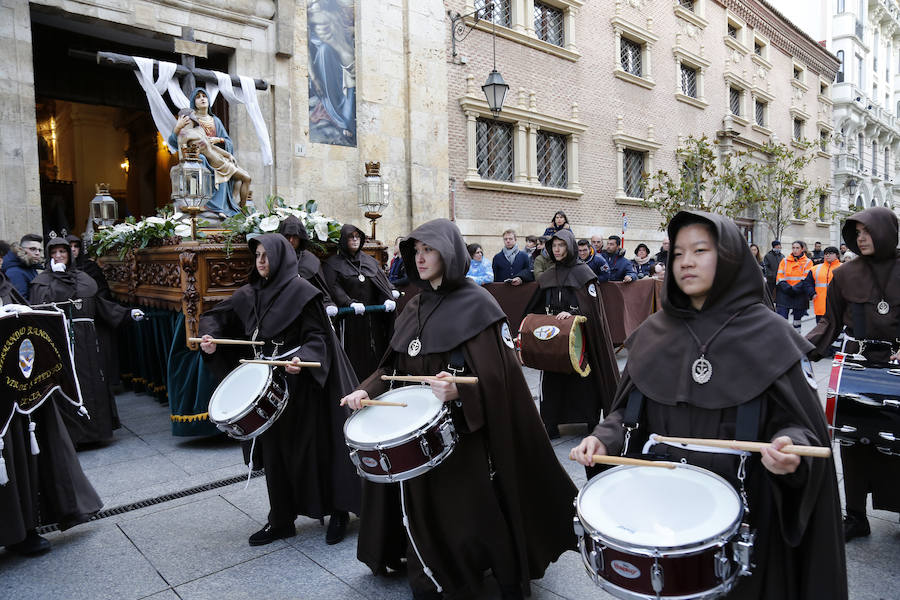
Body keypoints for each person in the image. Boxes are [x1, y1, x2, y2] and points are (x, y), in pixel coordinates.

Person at [570, 211, 847, 600]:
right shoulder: (653, 332)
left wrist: (789, 449)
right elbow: (627, 413)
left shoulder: (773, 335)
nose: (685, 261)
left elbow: (799, 424)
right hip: (660, 509)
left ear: (730, 258)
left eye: (701, 250)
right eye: (679, 251)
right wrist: (604, 438)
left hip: (746, 506)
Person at [341, 218, 577, 600]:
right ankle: (429, 575)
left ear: (448, 253)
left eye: (428, 250)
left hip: (463, 437)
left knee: (469, 514)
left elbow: (504, 380)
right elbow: (394, 367)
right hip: (416, 433)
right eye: (415, 251)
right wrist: (364, 390)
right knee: (419, 509)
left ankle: (493, 574)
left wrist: (459, 392)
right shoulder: (413, 305)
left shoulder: (478, 304)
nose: (420, 259)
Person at [199, 234, 361, 546]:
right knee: (275, 454)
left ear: (282, 256)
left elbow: (319, 336)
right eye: (257, 255)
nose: (261, 261)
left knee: (318, 450)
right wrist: (210, 339)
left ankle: (338, 511)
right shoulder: (248, 294)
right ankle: (281, 519)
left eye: (266, 255)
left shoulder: (302, 291)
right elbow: (215, 318)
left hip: (306, 386)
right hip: (268, 386)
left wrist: (307, 358)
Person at [806, 207, 900, 541]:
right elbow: (828, 323)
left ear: (887, 232)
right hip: (857, 369)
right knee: (854, 441)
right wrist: (794, 350)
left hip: (898, 369)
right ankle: (856, 517)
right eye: (856, 232)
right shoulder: (844, 275)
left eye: (868, 231)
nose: (861, 238)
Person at [0, 269, 103, 556]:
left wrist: (24, 314)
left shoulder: (4, 284)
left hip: (13, 390)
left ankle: (23, 529)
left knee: (20, 456)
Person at [29, 238, 141, 446]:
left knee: (92, 383)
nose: (59, 255)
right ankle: (76, 436)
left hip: (88, 341)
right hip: (62, 341)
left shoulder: (84, 278)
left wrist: (126, 314)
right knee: (70, 385)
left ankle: (97, 433)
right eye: (55, 252)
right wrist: (60, 277)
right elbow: (42, 307)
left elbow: (100, 304)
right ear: (49, 255)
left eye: (63, 251)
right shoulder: (42, 283)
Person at [525, 229, 620, 439]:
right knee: (552, 382)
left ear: (570, 247)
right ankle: (551, 423)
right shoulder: (549, 275)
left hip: (580, 341)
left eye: (561, 245)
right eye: (554, 246)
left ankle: (590, 421)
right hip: (553, 343)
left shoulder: (583, 274)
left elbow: (594, 309)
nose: (557, 250)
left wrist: (574, 313)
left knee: (584, 381)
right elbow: (536, 307)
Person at [323, 224, 397, 381]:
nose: (355, 239)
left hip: (372, 319)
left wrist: (388, 294)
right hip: (350, 321)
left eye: (358, 236)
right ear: (343, 240)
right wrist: (349, 303)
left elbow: (380, 282)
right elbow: (334, 287)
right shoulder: (332, 264)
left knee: (375, 350)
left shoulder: (369, 261)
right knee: (354, 355)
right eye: (351, 237)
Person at [168, 88, 241, 217]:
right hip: (198, 157)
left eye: (204, 96)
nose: (202, 99)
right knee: (200, 161)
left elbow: (228, 142)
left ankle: (225, 207)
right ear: (193, 102)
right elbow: (176, 142)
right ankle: (202, 204)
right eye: (198, 97)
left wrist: (218, 140)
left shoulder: (216, 121)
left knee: (233, 172)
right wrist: (178, 127)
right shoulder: (190, 118)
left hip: (215, 154)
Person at [173, 107, 251, 210]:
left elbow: (212, 146)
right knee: (246, 178)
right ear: (185, 118)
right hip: (216, 165)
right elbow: (182, 155)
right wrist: (178, 128)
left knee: (243, 179)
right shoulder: (184, 135)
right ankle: (241, 208)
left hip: (221, 160)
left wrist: (228, 155)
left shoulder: (199, 129)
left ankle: (238, 207)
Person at [277, 215, 336, 314]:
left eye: (295, 236)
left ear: (300, 237)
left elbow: (322, 291)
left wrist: (328, 304)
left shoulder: (311, 260)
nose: (291, 240)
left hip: (306, 312)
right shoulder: (274, 258)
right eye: (287, 236)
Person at [775, 241, 815, 332]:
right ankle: (784, 339)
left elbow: (806, 278)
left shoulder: (808, 262)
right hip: (785, 293)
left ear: (802, 249)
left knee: (797, 320)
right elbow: (780, 276)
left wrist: (794, 289)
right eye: (793, 248)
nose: (795, 250)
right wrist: (788, 288)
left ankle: (797, 338)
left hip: (799, 293)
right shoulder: (784, 261)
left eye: (797, 248)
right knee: (782, 319)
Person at [811, 246, 841, 325]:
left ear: (837, 255)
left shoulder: (843, 268)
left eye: (831, 253)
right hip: (820, 304)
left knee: (837, 328)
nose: (827, 255)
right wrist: (811, 293)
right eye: (826, 254)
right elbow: (807, 283)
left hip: (837, 304)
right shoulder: (815, 268)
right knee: (820, 328)